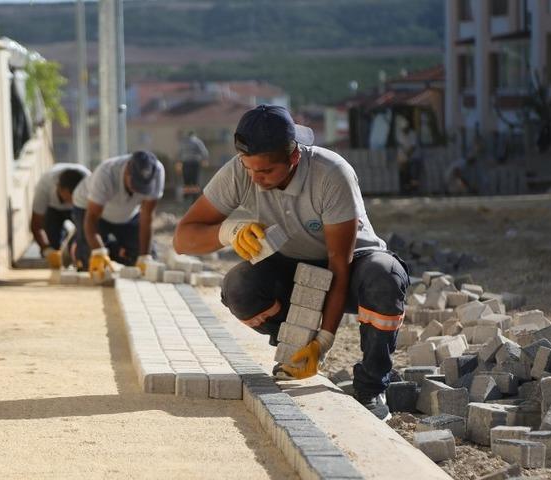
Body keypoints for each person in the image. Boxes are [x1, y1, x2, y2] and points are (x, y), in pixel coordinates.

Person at [172, 105, 409, 420]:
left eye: (266, 171)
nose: (256, 179)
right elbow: (183, 238)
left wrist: (324, 340)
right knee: (239, 288)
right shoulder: (240, 171)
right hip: (294, 266)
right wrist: (228, 231)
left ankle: (372, 385)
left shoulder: (330, 173)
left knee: (386, 276)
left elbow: (340, 263)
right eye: (249, 168)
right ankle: (294, 348)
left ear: (294, 157)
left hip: (353, 268)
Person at [71, 151, 165, 280]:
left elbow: (147, 217)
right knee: (91, 263)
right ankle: (76, 246)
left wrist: (144, 257)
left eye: (144, 188)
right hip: (90, 210)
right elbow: (92, 217)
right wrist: (98, 252)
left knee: (145, 258)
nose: (139, 191)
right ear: (127, 171)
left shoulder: (158, 172)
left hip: (127, 213)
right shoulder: (106, 173)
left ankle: (111, 250)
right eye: (136, 184)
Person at [30, 163, 90, 268]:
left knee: (85, 235)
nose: (71, 202)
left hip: (80, 207)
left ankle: (80, 257)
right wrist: (46, 249)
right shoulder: (44, 186)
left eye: (75, 198)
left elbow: (94, 221)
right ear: (60, 188)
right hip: (53, 209)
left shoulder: (90, 183)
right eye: (69, 198)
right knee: (53, 242)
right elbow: (36, 225)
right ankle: (62, 237)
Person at [177, 131, 209, 203]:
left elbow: (179, 153)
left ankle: (186, 198)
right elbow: (204, 152)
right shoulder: (197, 141)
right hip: (195, 163)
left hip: (185, 163)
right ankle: (195, 198)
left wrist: (179, 163)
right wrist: (204, 160)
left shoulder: (183, 142)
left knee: (186, 181)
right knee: (195, 181)